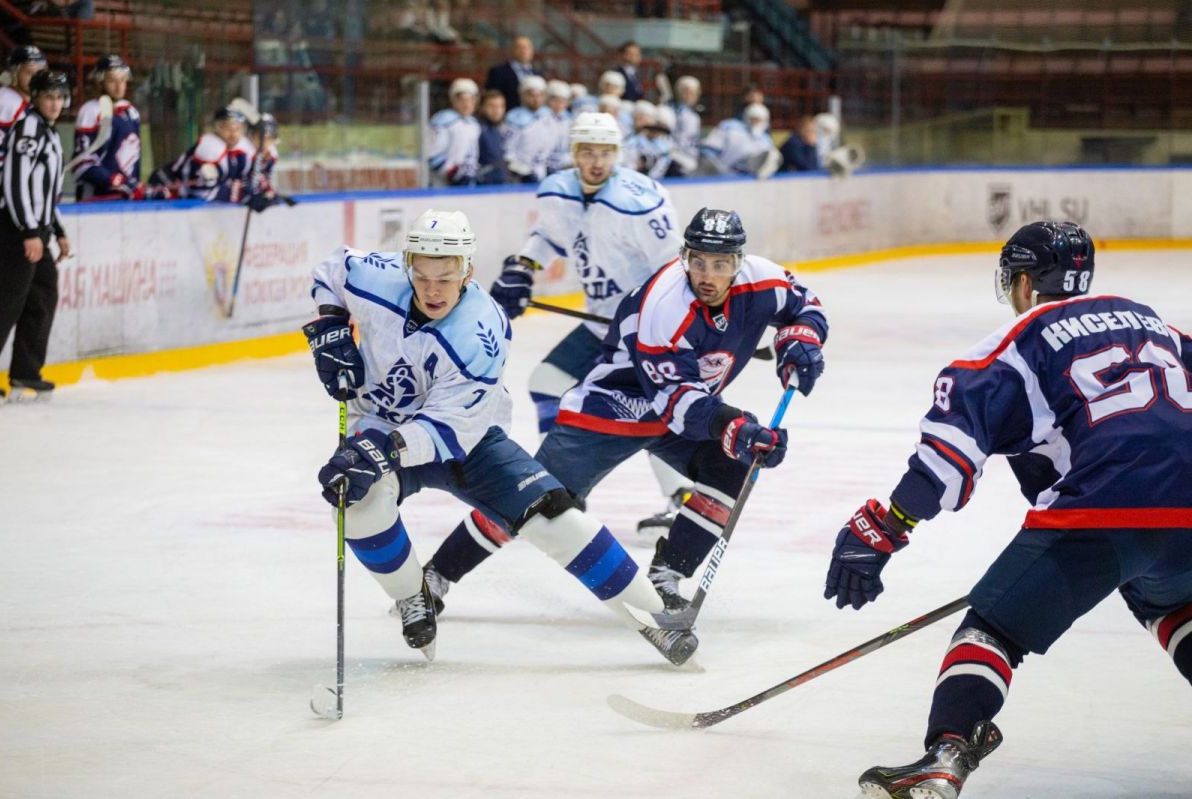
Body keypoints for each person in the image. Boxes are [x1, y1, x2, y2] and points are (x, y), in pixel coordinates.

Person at [825, 221, 1192, 799]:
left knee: (993, 627)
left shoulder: (1022, 339)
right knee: (1172, 603)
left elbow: (949, 457)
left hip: (1108, 505)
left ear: (1023, 282)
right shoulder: (1153, 322)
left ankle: (946, 756)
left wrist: (885, 527)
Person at [302, 209, 697, 664]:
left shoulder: (481, 331)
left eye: (445, 279)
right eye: (422, 276)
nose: (432, 290)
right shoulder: (376, 274)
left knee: (554, 517)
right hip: (379, 424)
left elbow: (450, 427)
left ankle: (653, 617)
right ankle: (414, 595)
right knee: (354, 504)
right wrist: (330, 324)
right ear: (407, 263)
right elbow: (332, 270)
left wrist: (384, 451)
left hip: (468, 441)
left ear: (467, 270)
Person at [425, 208, 828, 614]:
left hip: (685, 403)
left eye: (720, 264)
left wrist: (801, 339)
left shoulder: (764, 279)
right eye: (698, 262)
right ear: (684, 256)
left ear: (738, 263)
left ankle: (666, 576)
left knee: (730, 465)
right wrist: (736, 429)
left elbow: (807, 305)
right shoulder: (665, 306)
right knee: (531, 497)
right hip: (614, 405)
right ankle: (436, 575)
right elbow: (678, 405)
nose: (707, 275)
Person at [485, 110, 688, 533]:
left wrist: (665, 323)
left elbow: (675, 267)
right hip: (601, 325)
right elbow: (549, 236)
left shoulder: (639, 202)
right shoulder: (559, 191)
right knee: (547, 382)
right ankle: (562, 488)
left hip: (642, 330)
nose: (597, 162)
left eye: (606, 152)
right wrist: (523, 267)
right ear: (574, 153)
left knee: (651, 408)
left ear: (618, 154)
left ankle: (683, 497)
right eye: (588, 152)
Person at [0, 70, 71, 406]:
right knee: (4, 303)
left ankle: (26, 371)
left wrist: (57, 230)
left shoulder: (48, 133)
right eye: (49, 97)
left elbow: (45, 191)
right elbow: (15, 182)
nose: (55, 103)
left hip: (35, 230)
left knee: (42, 297)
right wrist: (28, 231)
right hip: (13, 229)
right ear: (36, 98)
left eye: (60, 97)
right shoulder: (27, 128)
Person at [71, 54, 144, 201]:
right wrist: (114, 180)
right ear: (100, 82)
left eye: (122, 80)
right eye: (112, 80)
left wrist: (134, 186)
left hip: (126, 200)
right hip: (96, 201)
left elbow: (134, 160)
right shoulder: (91, 111)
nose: (119, 86)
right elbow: (81, 164)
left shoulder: (131, 112)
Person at [147, 106, 248, 201]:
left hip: (179, 192)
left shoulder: (237, 151)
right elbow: (200, 192)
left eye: (238, 128)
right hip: (164, 185)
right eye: (227, 128)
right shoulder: (211, 146)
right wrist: (240, 194)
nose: (233, 134)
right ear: (216, 128)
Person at [0, 46, 48, 202]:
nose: (36, 78)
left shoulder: (25, 103)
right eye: (29, 72)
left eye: (40, 72)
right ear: (14, 73)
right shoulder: (7, 103)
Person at [699, 103, 780, 178]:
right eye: (752, 118)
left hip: (744, 182)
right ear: (746, 117)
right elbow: (707, 152)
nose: (755, 122)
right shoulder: (729, 128)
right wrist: (718, 171)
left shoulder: (766, 141)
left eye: (758, 119)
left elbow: (768, 165)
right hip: (719, 179)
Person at [427, 77, 481, 187]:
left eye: (470, 100)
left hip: (468, 185)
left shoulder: (474, 124)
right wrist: (453, 173)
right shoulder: (443, 121)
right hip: (442, 186)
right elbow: (432, 155)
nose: (466, 104)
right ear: (453, 101)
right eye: (462, 100)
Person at [502, 75, 552, 183]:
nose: (536, 99)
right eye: (531, 95)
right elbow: (508, 149)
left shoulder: (548, 115)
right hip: (521, 173)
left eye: (539, 95)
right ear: (523, 96)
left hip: (543, 171)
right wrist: (517, 169)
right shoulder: (515, 117)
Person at [484, 35, 539, 110]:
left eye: (527, 47)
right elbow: (492, 96)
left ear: (532, 51)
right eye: (520, 47)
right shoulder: (498, 72)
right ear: (512, 50)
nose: (523, 51)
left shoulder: (538, 73)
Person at [668, 75, 701, 177]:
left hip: (690, 157)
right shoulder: (671, 111)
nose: (689, 96)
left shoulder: (694, 115)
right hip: (675, 157)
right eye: (686, 92)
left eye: (693, 93)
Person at [475, 89, 509, 185]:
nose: (496, 110)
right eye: (492, 106)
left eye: (500, 106)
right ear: (481, 107)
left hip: (502, 184)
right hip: (481, 186)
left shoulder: (504, 129)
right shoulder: (475, 128)